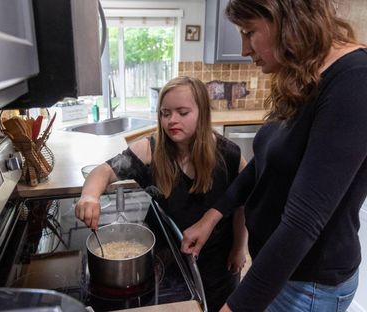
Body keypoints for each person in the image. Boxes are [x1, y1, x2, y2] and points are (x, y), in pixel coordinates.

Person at [181, 1, 367, 311]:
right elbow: (264, 163)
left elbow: (304, 220)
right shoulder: (304, 77)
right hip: (280, 272)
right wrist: (211, 217)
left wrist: (234, 308)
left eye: (249, 32)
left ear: (286, 17)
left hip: (309, 286)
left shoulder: (354, 79)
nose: (244, 49)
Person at [75, 76, 248, 312]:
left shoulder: (229, 155)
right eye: (165, 113)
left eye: (182, 112)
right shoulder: (149, 150)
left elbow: (241, 205)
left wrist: (239, 248)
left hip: (217, 261)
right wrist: (89, 197)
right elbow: (103, 172)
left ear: (202, 113)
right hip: (164, 261)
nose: (171, 120)